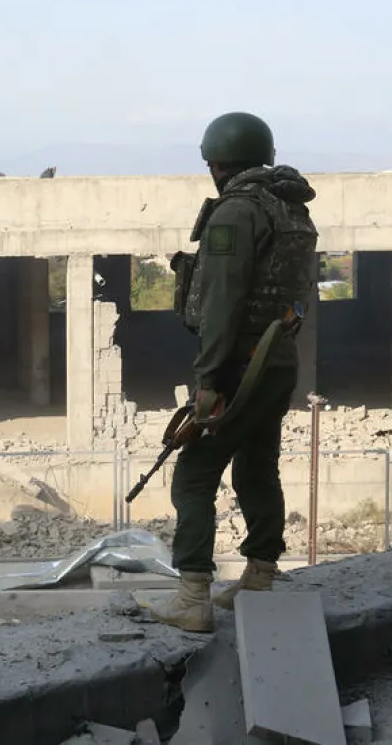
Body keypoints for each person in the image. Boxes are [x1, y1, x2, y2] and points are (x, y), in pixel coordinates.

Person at [144, 111, 319, 633]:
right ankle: (261, 576)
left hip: (240, 365)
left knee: (194, 477)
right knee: (257, 467)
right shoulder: (291, 210)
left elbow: (221, 304)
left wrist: (208, 383)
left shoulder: (235, 214)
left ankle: (192, 596)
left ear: (218, 162)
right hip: (277, 360)